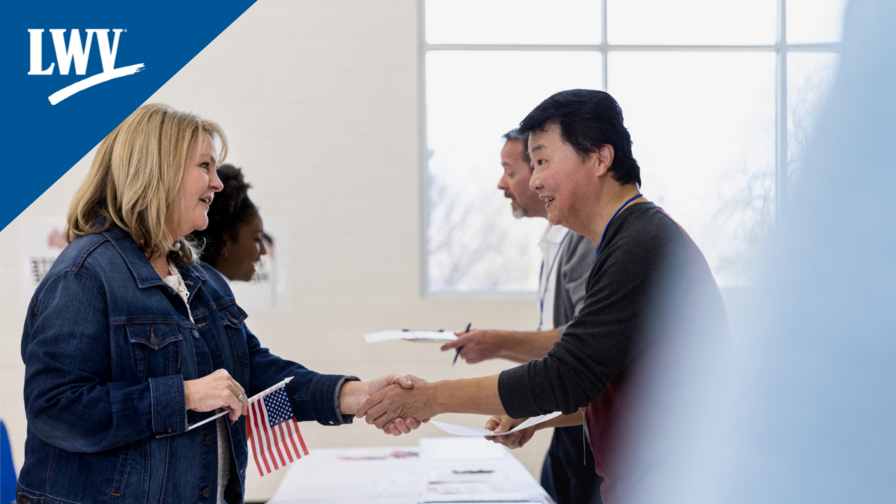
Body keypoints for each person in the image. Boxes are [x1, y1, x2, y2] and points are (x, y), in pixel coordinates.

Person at [17, 104, 420, 504]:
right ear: (159, 170)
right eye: (205, 167)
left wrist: (353, 395)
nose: (218, 183)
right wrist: (185, 396)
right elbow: (56, 409)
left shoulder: (202, 282)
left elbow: (254, 380)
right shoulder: (84, 276)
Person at [358, 90, 730, 504]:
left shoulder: (642, 243)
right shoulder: (625, 240)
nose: (534, 181)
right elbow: (612, 385)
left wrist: (430, 398)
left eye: (541, 161)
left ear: (600, 158)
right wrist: (535, 414)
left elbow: (566, 374)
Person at [440, 129, 601, 504]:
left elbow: (580, 342)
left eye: (511, 171)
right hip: (569, 424)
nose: (502, 183)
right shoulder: (555, 239)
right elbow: (561, 352)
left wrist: (498, 343)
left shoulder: (582, 240)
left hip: (590, 435)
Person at [190, 164, 266, 282]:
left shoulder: (201, 290)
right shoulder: (208, 297)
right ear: (224, 242)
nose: (264, 251)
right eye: (257, 238)